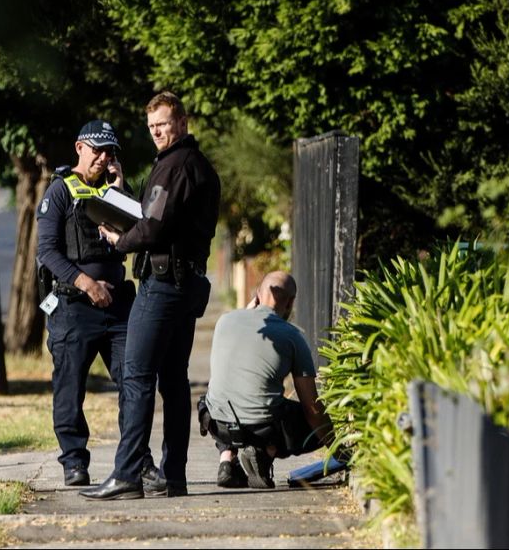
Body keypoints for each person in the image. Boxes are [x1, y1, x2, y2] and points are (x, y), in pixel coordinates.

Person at [80, 92, 221, 500]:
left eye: (162, 124)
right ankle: (173, 475)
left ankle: (126, 474)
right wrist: (125, 197)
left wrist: (119, 240)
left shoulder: (174, 166)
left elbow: (152, 227)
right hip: (187, 282)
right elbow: (161, 218)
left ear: (181, 121)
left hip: (162, 285)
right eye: (151, 127)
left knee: (137, 375)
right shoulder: (201, 168)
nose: (157, 132)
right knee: (174, 381)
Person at [35, 119, 157, 486]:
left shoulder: (116, 189)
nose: (104, 158)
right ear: (79, 148)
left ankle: (139, 460)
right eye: (98, 150)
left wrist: (121, 190)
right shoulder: (59, 191)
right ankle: (74, 460)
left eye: (110, 152)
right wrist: (87, 283)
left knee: (133, 382)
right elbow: (47, 252)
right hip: (74, 306)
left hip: (118, 304)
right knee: (70, 387)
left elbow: (140, 232)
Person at [198, 271, 336, 489]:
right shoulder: (292, 336)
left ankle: (227, 459)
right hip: (261, 429)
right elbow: (312, 409)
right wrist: (337, 445)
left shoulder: (225, 322)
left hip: (216, 423)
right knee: (311, 421)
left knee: (226, 394)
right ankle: (264, 451)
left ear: (257, 296)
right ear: (290, 302)